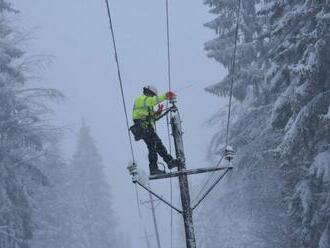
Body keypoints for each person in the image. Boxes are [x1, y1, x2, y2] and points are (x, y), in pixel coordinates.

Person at [131, 85, 180, 175]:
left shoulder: (146, 104)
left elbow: (151, 117)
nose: (153, 97)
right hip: (143, 127)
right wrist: (166, 95)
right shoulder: (142, 99)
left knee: (157, 145)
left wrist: (157, 113)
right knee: (153, 147)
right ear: (149, 92)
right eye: (153, 95)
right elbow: (152, 101)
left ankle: (169, 162)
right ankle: (154, 168)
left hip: (146, 128)